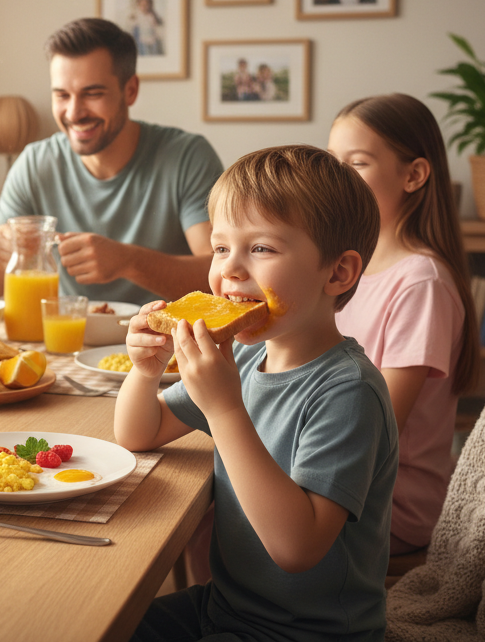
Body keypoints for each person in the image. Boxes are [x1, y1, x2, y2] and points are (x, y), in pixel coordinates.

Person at [116, 145, 396, 642]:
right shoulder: (245, 358)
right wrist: (146, 370)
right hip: (226, 606)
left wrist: (225, 409)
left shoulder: (348, 391)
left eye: (261, 249)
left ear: (338, 272)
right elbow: (140, 433)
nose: (230, 270)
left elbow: (297, 549)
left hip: (309, 633)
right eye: (221, 248)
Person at [0, 17, 223, 305]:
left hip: (163, 333)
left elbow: (220, 274)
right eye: (62, 95)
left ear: (130, 90)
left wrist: (128, 261)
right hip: (66, 333)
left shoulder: (187, 157)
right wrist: (1, 257)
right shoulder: (35, 164)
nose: (74, 112)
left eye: (93, 94)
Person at [327, 93, 479, 555]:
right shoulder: (348, 267)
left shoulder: (421, 283)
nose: (337, 179)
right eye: (333, 162)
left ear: (413, 175)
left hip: (391, 501)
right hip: (340, 469)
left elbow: (378, 428)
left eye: (357, 164)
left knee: (221, 505)